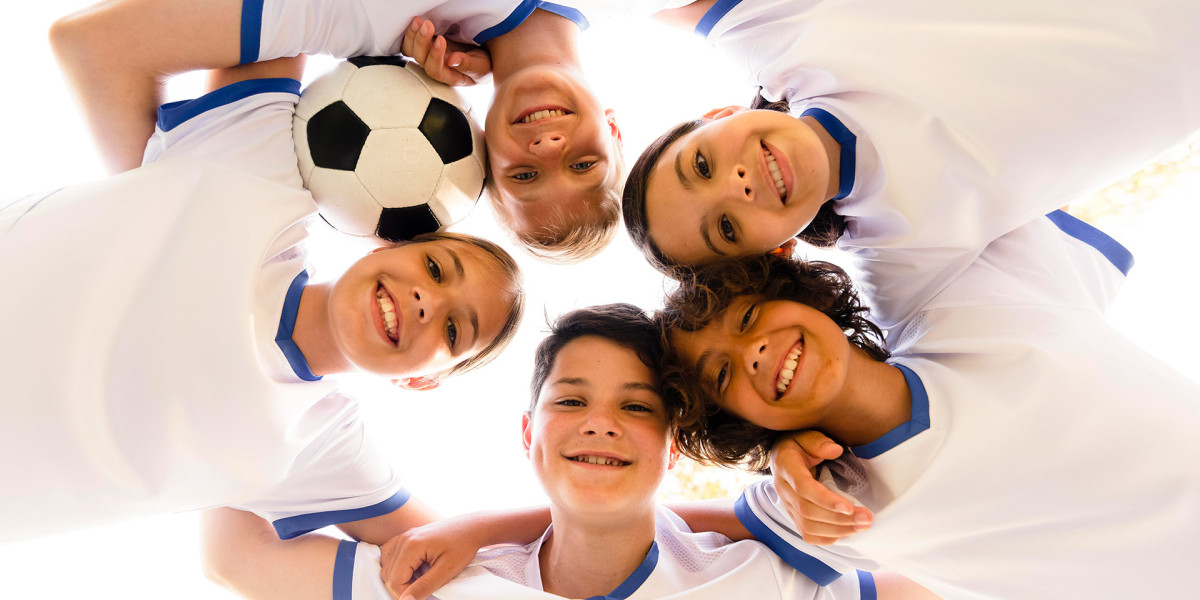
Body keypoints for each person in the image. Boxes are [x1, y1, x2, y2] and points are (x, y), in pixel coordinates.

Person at [0, 12, 532, 567]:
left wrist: (517, 522)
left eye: (453, 329)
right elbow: (297, 16)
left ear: (422, 381)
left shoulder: (318, 449)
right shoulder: (255, 173)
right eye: (437, 269)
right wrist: (414, 34)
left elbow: (456, 550)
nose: (429, 301)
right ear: (383, 244)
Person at [201, 304, 937, 600]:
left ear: (672, 446)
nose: (601, 424)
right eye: (572, 400)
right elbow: (238, 552)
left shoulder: (759, 580)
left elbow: (943, 574)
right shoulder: (448, 582)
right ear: (530, 436)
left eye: (636, 407)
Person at [658, 211, 1200, 598]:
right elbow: (641, 530)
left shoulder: (970, 293)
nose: (752, 352)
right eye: (723, 375)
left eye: (750, 318)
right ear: (738, 422)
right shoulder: (827, 505)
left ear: (795, 295)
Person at [622, 0, 1200, 331]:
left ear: (718, 113)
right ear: (775, 250)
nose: (737, 185)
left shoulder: (778, 32)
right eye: (725, 228)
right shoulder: (901, 263)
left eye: (700, 164)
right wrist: (789, 451)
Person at [50, 0, 624, 262]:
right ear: (615, 131)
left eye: (523, 175)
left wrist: (163, 233)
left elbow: (93, 47)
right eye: (583, 164)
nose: (548, 148)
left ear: (481, 151)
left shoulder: (372, 18)